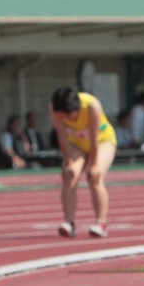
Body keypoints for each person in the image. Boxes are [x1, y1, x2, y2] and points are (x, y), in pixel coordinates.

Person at [49, 86, 116, 238]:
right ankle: (69, 222)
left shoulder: (92, 105)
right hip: (77, 143)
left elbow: (94, 138)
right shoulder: (55, 108)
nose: (64, 120)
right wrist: (69, 162)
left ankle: (101, 223)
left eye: (67, 116)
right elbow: (62, 136)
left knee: (95, 177)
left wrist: (93, 165)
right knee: (69, 175)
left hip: (102, 141)